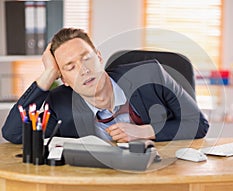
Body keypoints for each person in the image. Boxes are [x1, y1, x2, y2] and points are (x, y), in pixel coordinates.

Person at [2, 28, 209, 144]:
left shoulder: (151, 74)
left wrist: (147, 131)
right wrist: (48, 74)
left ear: (99, 57)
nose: (83, 70)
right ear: (63, 79)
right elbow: (14, 133)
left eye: (86, 58)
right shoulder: (60, 103)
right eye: (70, 67)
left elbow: (199, 124)